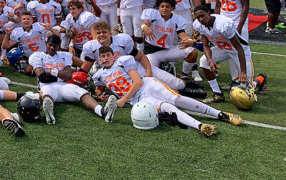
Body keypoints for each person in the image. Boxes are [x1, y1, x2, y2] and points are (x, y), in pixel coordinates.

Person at [92, 46, 242, 137]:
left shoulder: (122, 61)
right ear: (99, 60)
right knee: (168, 108)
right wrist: (101, 95)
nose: (105, 58)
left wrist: (123, 99)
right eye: (102, 57)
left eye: (108, 55)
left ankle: (220, 114)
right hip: (139, 100)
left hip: (146, 86)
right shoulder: (99, 75)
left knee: (176, 99)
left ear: (114, 56)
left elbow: (137, 82)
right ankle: (200, 126)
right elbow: (100, 89)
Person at [29, 34, 117, 125]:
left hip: (64, 86)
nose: (52, 48)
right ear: (46, 44)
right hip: (47, 86)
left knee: (82, 92)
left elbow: (68, 76)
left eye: (55, 46)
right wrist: (60, 75)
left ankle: (102, 111)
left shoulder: (64, 55)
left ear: (59, 46)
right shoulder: (37, 56)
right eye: (50, 45)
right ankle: (50, 116)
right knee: (47, 96)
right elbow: (42, 77)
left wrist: (51, 71)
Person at [193, 5, 266, 104]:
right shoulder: (198, 25)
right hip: (223, 49)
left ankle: (261, 79)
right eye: (198, 17)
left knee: (247, 88)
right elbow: (205, 45)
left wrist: (243, 72)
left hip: (238, 51)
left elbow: (239, 48)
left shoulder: (223, 24)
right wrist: (210, 60)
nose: (201, 19)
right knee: (203, 61)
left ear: (209, 13)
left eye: (203, 15)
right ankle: (217, 94)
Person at [140, 0, 200, 84]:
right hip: (152, 52)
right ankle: (165, 69)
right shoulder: (153, 14)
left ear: (172, 8)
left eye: (167, 6)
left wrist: (189, 40)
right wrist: (144, 26)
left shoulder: (177, 19)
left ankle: (183, 76)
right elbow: (145, 22)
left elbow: (182, 34)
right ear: (158, 8)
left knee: (192, 52)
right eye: (162, 6)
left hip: (167, 50)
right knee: (151, 76)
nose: (164, 9)